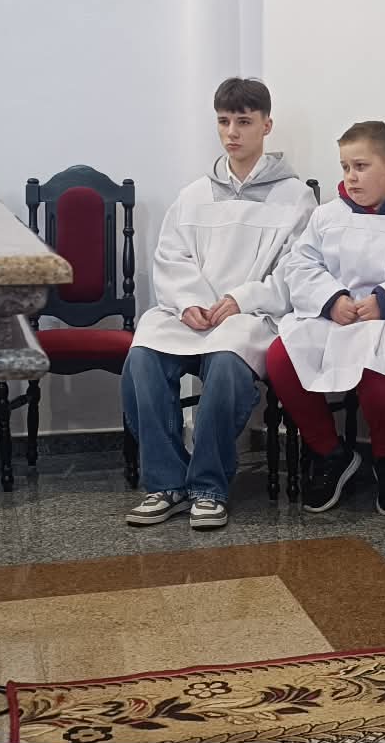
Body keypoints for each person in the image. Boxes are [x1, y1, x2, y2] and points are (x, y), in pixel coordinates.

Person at [122, 77, 313, 530]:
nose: (232, 132)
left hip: (250, 315)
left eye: (243, 122)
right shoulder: (193, 195)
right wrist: (188, 301)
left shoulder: (295, 198)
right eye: (224, 121)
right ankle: (166, 483)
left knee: (227, 364)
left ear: (266, 125)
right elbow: (170, 257)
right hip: (192, 314)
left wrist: (240, 298)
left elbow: (295, 272)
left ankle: (208, 486)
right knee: (142, 357)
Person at [265, 121, 385, 515]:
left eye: (361, 166)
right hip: (334, 319)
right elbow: (299, 264)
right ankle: (331, 453)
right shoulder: (327, 215)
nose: (350, 176)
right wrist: (331, 299)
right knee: (281, 357)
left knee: (381, 372)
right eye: (345, 167)